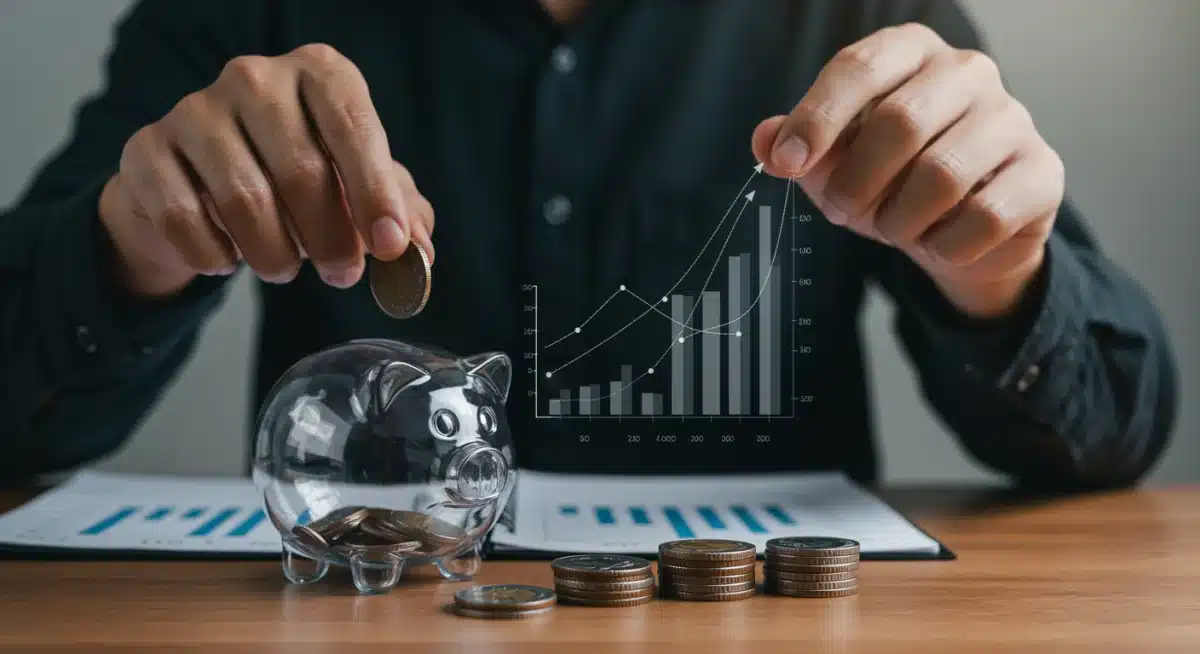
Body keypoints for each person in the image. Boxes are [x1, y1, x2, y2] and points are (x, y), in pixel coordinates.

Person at [0, 0, 1177, 489]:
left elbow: (1112, 434)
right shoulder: (240, 10)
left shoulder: (850, 7)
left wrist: (999, 274)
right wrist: (132, 247)